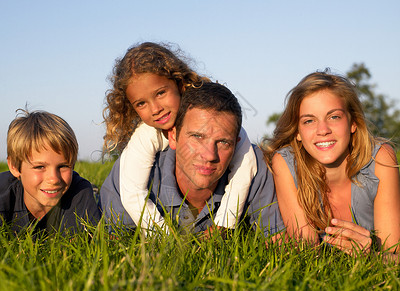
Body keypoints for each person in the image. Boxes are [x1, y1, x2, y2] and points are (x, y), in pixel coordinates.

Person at [102, 42, 257, 231]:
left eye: (160, 93)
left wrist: (224, 226)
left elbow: (246, 165)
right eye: (141, 103)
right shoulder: (146, 135)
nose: (156, 109)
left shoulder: (215, 119)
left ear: (180, 84)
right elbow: (133, 193)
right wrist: (163, 239)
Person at [101, 82, 283, 238]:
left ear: (236, 144)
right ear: (172, 136)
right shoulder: (131, 173)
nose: (210, 155)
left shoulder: (255, 169)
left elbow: (280, 244)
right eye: (197, 137)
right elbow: (114, 247)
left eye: (223, 142)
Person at [264, 70, 400, 258]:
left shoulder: (380, 158)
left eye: (334, 117)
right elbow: (308, 253)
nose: (323, 130)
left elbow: (393, 253)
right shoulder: (286, 163)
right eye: (309, 120)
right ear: (297, 132)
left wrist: (370, 256)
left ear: (353, 123)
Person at [0, 110, 101, 235]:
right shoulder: (3, 195)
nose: (54, 179)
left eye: (63, 166)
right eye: (40, 167)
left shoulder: (80, 192)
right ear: (14, 167)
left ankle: (95, 192)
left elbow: (82, 244)